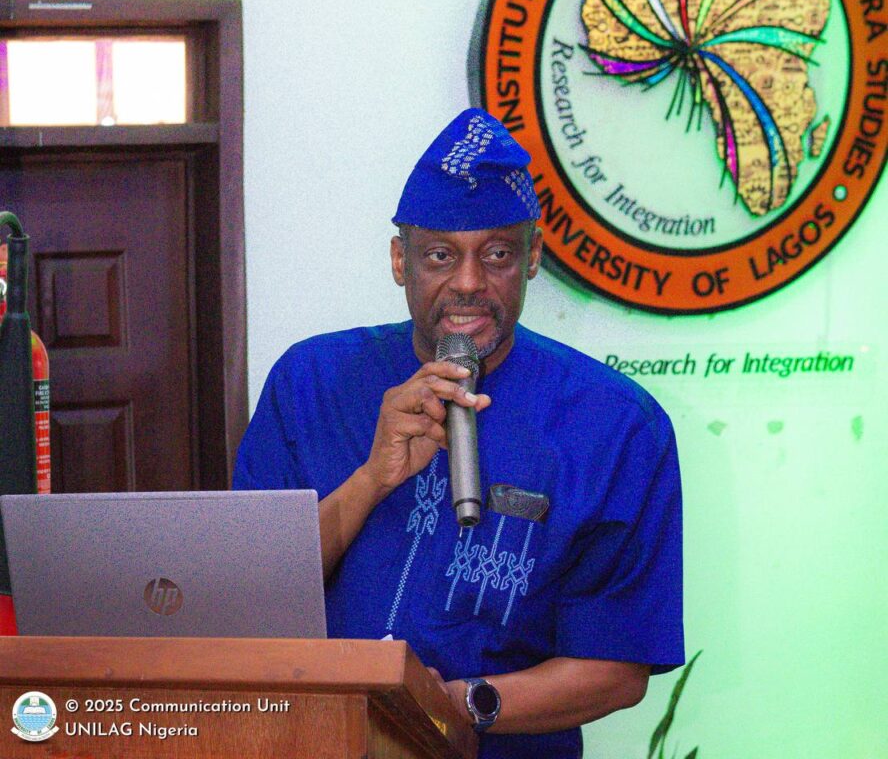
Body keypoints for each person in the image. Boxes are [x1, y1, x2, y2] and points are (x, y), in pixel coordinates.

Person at [233, 108, 684, 758]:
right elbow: (252, 593)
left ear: (533, 257)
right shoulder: (310, 381)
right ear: (401, 260)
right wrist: (372, 479)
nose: (469, 283)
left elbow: (617, 666)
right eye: (440, 255)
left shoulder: (616, 426)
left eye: (497, 254)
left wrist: (460, 705)